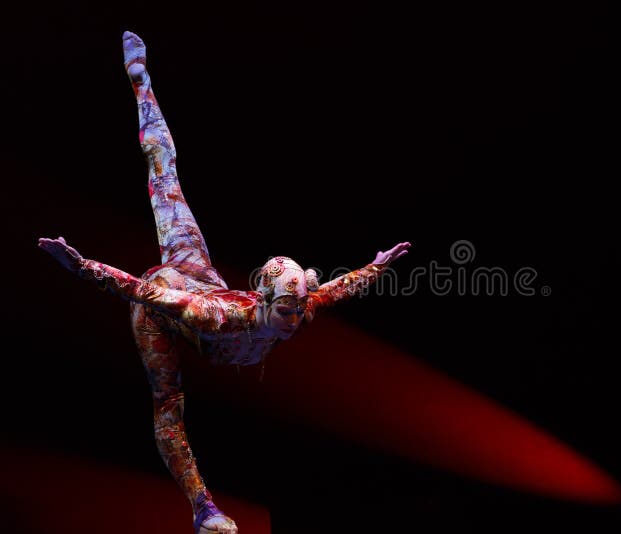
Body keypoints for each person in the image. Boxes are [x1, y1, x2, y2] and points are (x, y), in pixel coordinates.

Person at [38, 31, 410, 534]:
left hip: (199, 273)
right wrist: (83, 266)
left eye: (299, 308)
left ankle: (143, 84)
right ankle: (203, 507)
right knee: (169, 405)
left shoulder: (298, 308)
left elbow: (335, 290)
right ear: (264, 299)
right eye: (288, 309)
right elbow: (145, 292)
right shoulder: (219, 317)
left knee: (171, 187)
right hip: (167, 301)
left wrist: (378, 265)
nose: (296, 318)